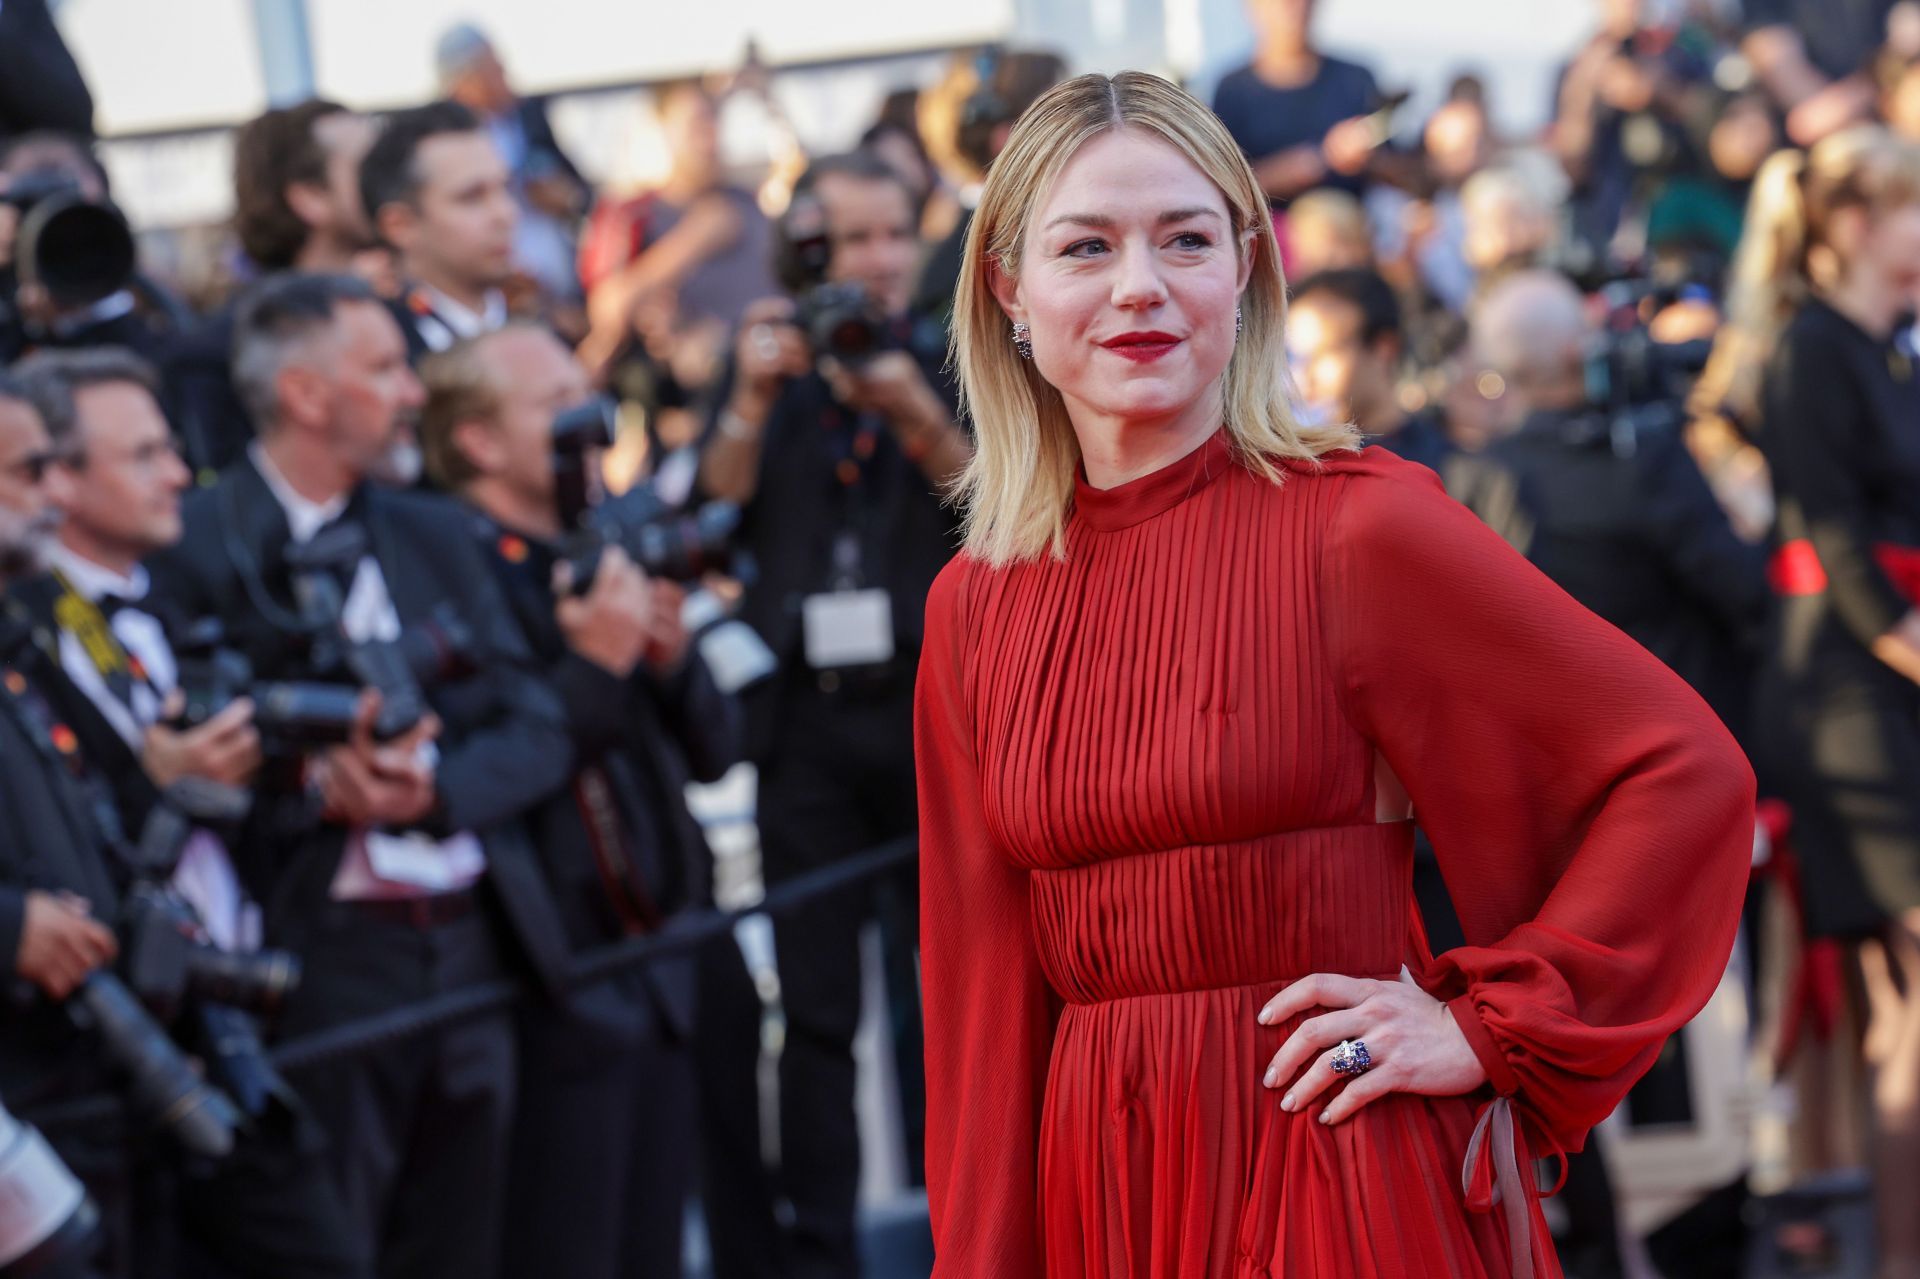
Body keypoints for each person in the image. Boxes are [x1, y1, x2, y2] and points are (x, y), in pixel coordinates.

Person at [921, 70, 1755, 1277]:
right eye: (1086, 246)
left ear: (1246, 267)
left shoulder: (1359, 530)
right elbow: (982, 1011)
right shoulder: (973, 608)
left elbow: (1680, 771)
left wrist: (1486, 1025)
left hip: (1335, 1176)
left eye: (1187, 238)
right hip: (1100, 1199)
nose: (1140, 284)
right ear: (1009, 284)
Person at [142, 272, 575, 1279]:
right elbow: (160, 759)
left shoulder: (435, 530)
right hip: (313, 962)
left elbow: (537, 724)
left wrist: (434, 791)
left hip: (473, 944)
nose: (414, 392)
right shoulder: (194, 547)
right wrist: (313, 785)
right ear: (305, 394)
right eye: (383, 369)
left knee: (465, 1244)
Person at [10, 346, 374, 1279]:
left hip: (231, 1022)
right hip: (94, 1054)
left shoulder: (174, 597)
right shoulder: (34, 630)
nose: (179, 473)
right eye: (142, 455)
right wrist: (150, 787)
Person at [696, 148, 973, 1277]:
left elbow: (997, 504)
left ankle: (960, 1224)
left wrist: (910, 407)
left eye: (889, 236)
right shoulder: (770, 366)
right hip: (804, 724)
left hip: (928, 708)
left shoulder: (962, 355)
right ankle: (822, 1251)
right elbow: (710, 511)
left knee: (952, 987)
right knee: (813, 1007)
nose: (871, 262)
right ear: (807, 254)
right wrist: (755, 399)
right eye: (846, 242)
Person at [419, 323, 744, 1279]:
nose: (587, 418)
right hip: (551, 986)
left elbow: (716, 751)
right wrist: (596, 665)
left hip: (663, 962)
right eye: (551, 401)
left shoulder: (606, 541)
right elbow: (502, 768)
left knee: (654, 1246)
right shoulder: (456, 578)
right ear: (478, 441)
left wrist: (670, 656)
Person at [1736, 127, 1920, 1276]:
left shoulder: (1886, 347)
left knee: (1903, 1013)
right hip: (1849, 688)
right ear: (1857, 222)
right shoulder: (1808, 348)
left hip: (1883, 678)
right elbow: (1835, 533)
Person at [167, 100, 381, 477]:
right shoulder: (220, 351)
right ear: (309, 198)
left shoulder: (412, 298)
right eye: (370, 166)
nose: (396, 177)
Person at [434, 23, 588, 309]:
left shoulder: (530, 116)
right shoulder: (441, 139)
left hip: (563, 279)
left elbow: (580, 188)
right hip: (505, 290)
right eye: (494, 71)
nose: (506, 77)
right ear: (465, 82)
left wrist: (568, 198)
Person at [359, 102, 519, 359]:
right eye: (472, 197)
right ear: (399, 225)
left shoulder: (540, 328)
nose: (506, 214)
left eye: (506, 189)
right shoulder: (381, 357)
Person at [1211, 0, 1386, 202]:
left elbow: (1400, 169)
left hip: (1352, 222)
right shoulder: (1232, 90)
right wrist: (1293, 169)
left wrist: (1366, 156)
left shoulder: (1356, 79)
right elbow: (1224, 188)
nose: (1293, 7)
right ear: (1252, 7)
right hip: (1269, 225)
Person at [1287, 268, 1448, 468]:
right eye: (1294, 357)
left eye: (1324, 355)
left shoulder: (1450, 470)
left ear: (1384, 350)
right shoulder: (1293, 466)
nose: (1304, 377)